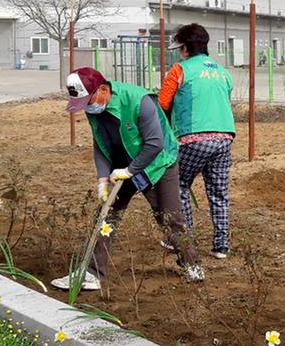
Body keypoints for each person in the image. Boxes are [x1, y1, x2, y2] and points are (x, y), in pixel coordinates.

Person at [56, 67, 202, 290]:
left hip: (158, 162)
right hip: (121, 165)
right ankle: (91, 272)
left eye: (88, 100)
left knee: (169, 217)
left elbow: (155, 143)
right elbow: (100, 144)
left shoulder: (138, 100)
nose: (87, 107)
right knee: (106, 215)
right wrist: (103, 179)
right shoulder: (94, 108)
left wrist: (131, 170)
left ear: (103, 89)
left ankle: (192, 264)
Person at [158, 23, 236, 259]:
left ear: (184, 48)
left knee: (178, 186)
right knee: (219, 191)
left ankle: (185, 240)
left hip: (193, 137)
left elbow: (161, 104)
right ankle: (221, 245)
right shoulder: (223, 72)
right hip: (224, 137)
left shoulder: (180, 70)